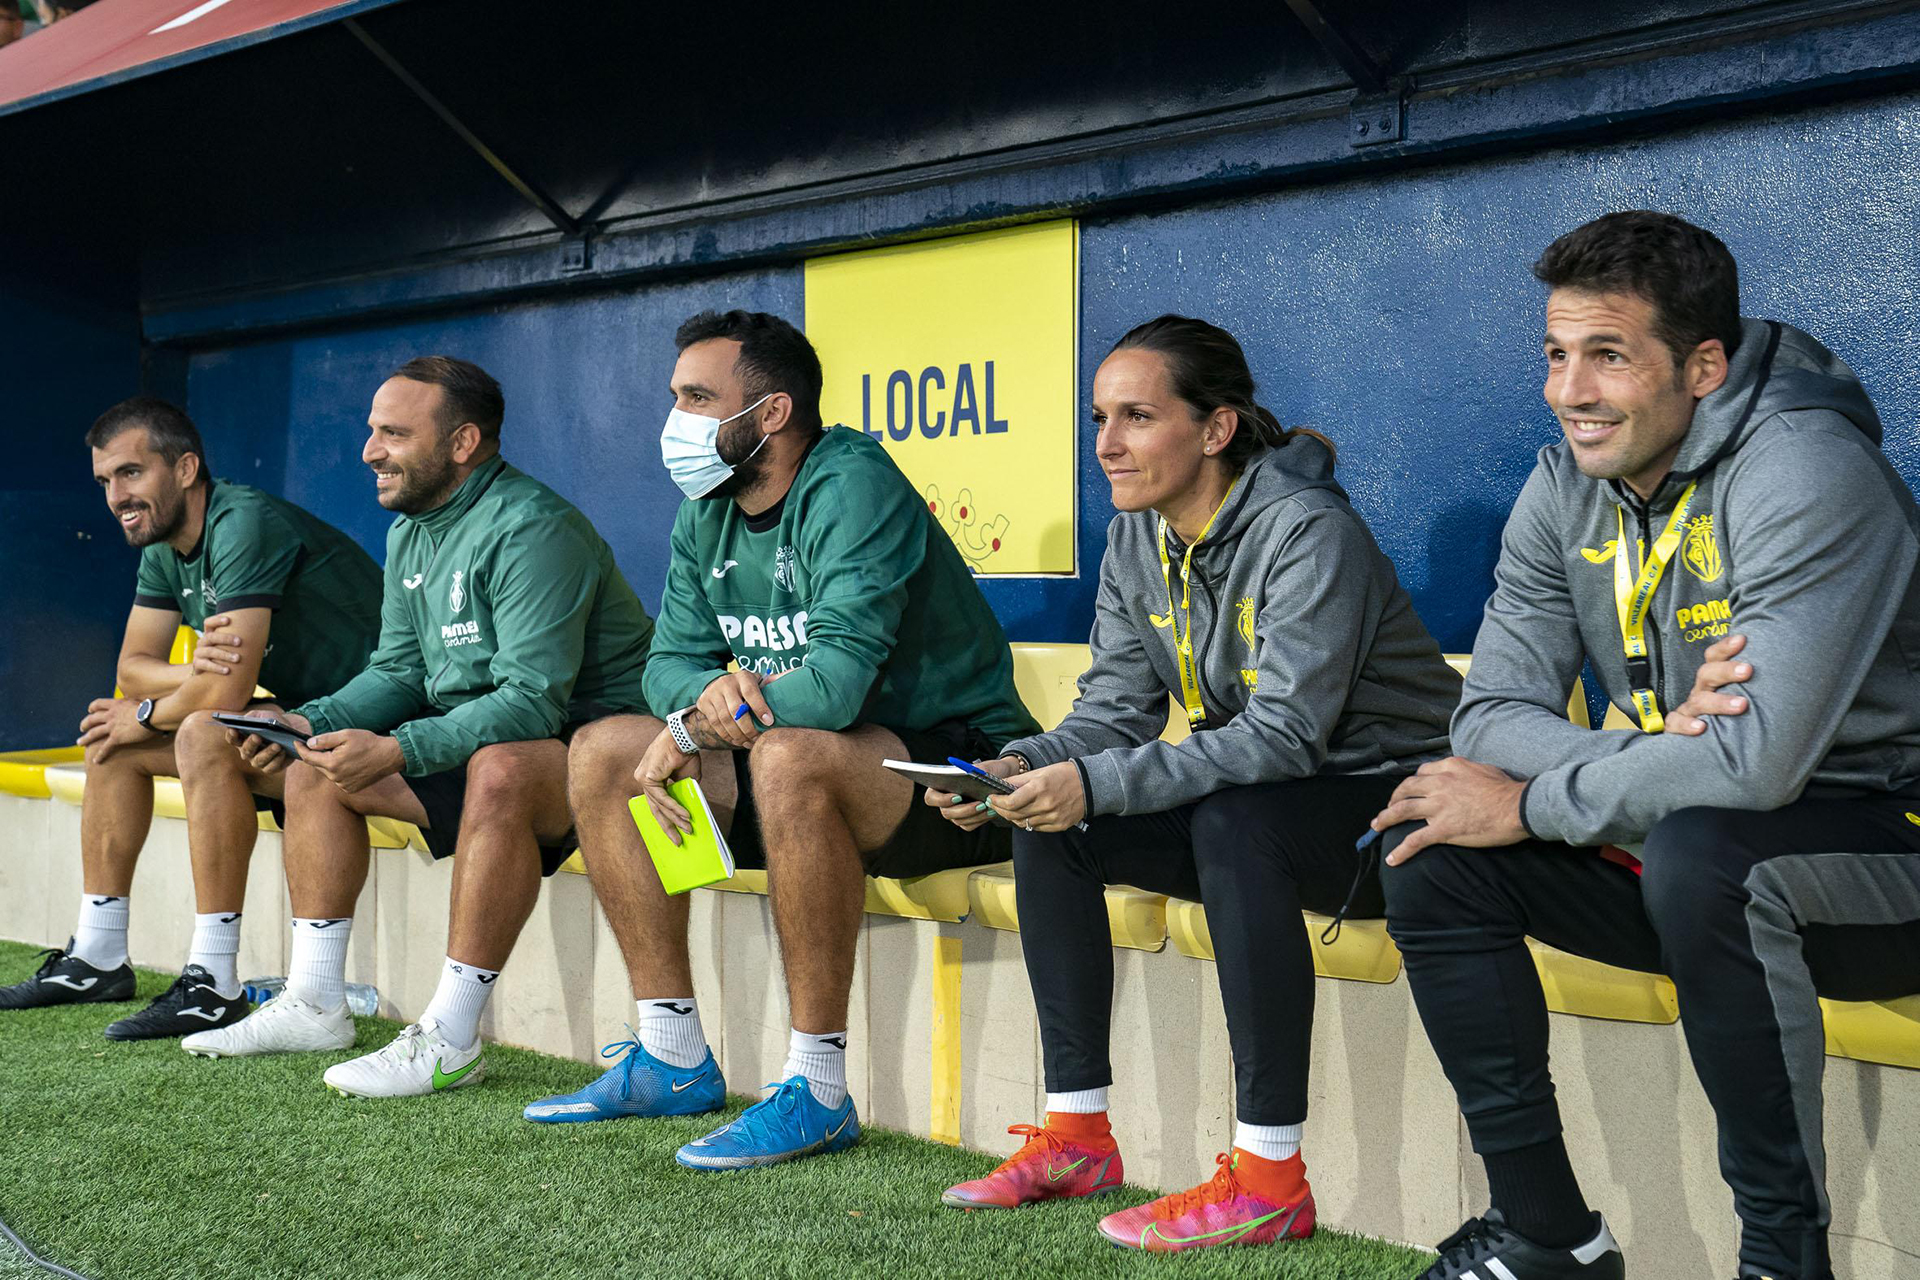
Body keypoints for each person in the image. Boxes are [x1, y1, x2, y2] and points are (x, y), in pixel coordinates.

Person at [1374, 211, 1920, 1280]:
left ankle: (1781, 1256)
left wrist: (1535, 801)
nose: (1569, 390)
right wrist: (1640, 739)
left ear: (1703, 365)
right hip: (1700, 825)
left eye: (1608, 355)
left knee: (1704, 854)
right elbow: (1484, 715)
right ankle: (1548, 1233)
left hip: (1885, 837)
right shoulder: (1565, 482)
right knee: (1434, 846)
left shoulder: (1807, 469)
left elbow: (1757, 764)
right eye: (1557, 353)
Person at [929, 315, 1460, 1252]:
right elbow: (1113, 711)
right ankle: (1078, 1133)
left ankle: (1268, 1178)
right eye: (1099, 418)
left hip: (1397, 811)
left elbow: (1288, 737)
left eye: (1137, 416)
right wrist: (1018, 768)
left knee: (1230, 823)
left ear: (1215, 430)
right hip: (1265, 800)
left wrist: (1090, 779)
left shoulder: (1308, 531)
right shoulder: (1138, 536)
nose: (1107, 444)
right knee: (1051, 818)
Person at [532, 310, 1038, 1169]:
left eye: (698, 398)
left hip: (958, 774)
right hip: (806, 771)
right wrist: (696, 700)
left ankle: (818, 1087)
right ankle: (671, 1053)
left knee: (786, 751)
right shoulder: (708, 509)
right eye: (675, 397)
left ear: (769, 414)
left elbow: (836, 691)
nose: (676, 421)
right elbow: (666, 665)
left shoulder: (851, 484)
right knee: (605, 751)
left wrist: (695, 725)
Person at [179, 356, 655, 1099]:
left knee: (498, 765)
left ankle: (452, 1037)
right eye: (373, 431)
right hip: (487, 732)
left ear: (463, 443)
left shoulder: (534, 528)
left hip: (595, 749)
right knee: (314, 761)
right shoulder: (412, 533)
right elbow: (399, 672)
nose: (370, 451)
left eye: (393, 434)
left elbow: (533, 702)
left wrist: (401, 748)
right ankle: (314, 1001)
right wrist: (307, 719)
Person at [0, 397, 381, 1042]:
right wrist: (190, 681)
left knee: (197, 733)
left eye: (130, 473)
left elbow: (221, 687)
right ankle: (96, 955)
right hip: (289, 724)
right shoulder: (161, 542)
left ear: (184, 468)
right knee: (110, 742)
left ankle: (213, 980)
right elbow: (133, 665)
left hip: (373, 723)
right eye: (105, 481)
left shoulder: (243, 524)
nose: (117, 496)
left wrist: (153, 708)